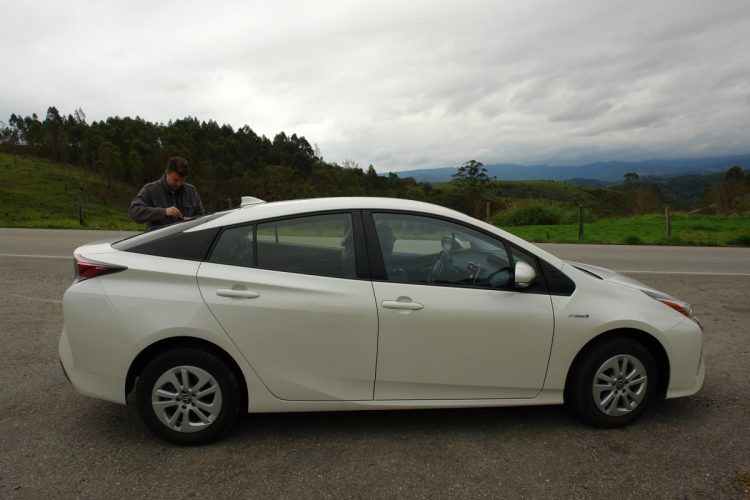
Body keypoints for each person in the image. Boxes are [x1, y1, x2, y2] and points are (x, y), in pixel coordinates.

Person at [129, 156, 205, 230]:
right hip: (159, 237)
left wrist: (192, 220)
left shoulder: (191, 191)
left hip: (185, 237)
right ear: (167, 172)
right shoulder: (150, 189)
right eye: (175, 180)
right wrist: (164, 212)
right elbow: (134, 212)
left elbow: (202, 217)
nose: (178, 184)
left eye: (182, 181)